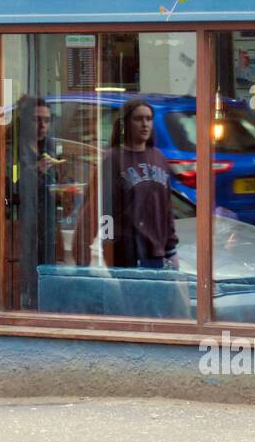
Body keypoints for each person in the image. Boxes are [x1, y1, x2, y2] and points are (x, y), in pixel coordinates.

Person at [76, 97, 180, 269]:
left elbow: (166, 209)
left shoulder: (159, 158)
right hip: (125, 253)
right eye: (138, 119)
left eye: (149, 119)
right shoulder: (113, 158)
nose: (145, 124)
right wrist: (107, 242)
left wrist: (171, 249)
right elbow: (101, 206)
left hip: (156, 254)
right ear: (125, 124)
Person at [13, 96, 62, 307]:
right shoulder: (13, 147)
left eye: (47, 120)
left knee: (47, 269)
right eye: (37, 120)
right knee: (25, 272)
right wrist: (36, 171)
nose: (43, 125)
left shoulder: (50, 146)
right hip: (20, 222)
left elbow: (57, 185)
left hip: (47, 220)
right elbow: (8, 186)